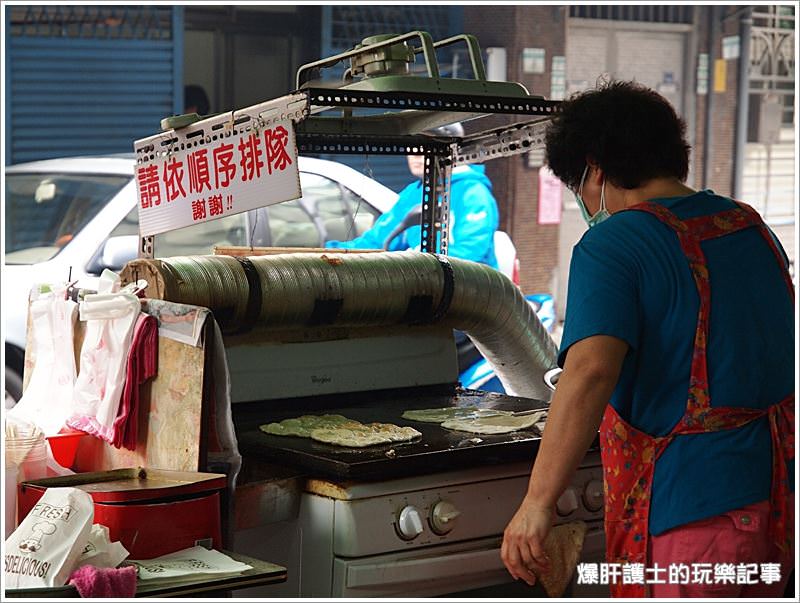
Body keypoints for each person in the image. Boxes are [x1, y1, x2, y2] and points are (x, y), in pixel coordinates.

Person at [500, 80, 794, 598]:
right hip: (774, 503)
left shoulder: (615, 243)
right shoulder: (748, 225)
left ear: (595, 170)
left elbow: (590, 370)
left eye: (579, 184)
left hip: (689, 515)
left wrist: (537, 503)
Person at [325, 123, 500, 269]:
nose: (415, 154)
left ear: (450, 150)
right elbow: (379, 240)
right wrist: (330, 253)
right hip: (428, 284)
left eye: (425, 146)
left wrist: (416, 260)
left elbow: (470, 251)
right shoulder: (413, 193)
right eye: (413, 145)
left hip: (473, 294)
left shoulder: (473, 192)